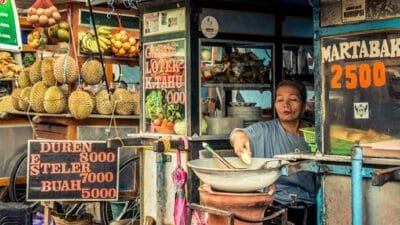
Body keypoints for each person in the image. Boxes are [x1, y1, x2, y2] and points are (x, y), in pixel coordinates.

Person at [230, 79, 316, 225]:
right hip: (275, 208)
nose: (286, 105)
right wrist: (239, 139)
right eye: (280, 100)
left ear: (303, 106)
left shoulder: (315, 135)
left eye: (293, 99)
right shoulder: (265, 130)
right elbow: (238, 133)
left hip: (311, 208)